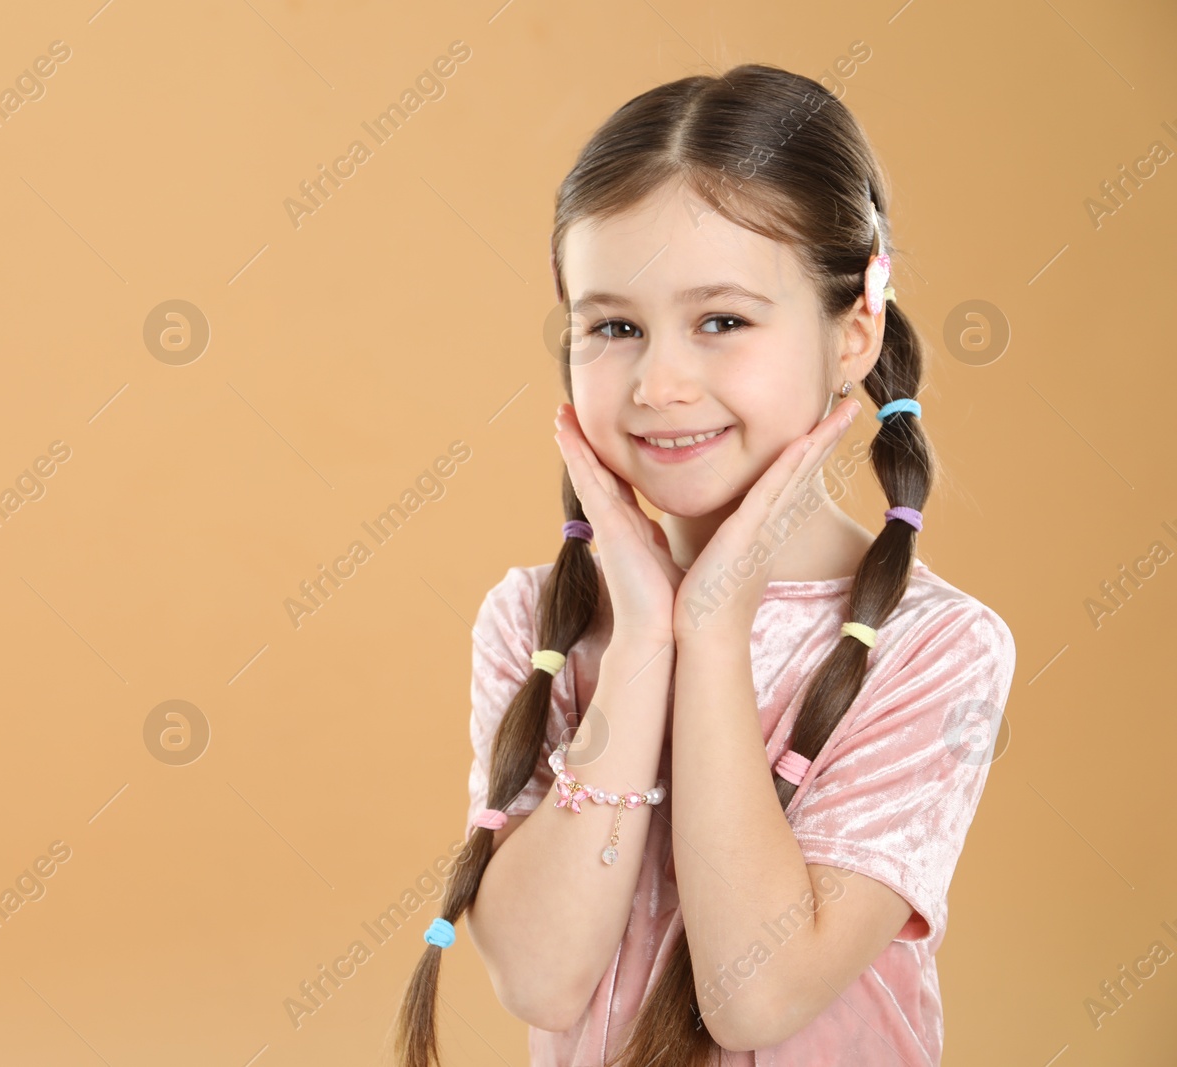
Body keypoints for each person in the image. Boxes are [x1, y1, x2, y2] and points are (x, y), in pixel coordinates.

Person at [391, 63, 1017, 1066]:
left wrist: (713, 628)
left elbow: (751, 994)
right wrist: (643, 635)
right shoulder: (537, 622)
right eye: (613, 326)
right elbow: (542, 975)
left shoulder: (937, 648)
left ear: (854, 330)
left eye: (721, 320)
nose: (659, 381)